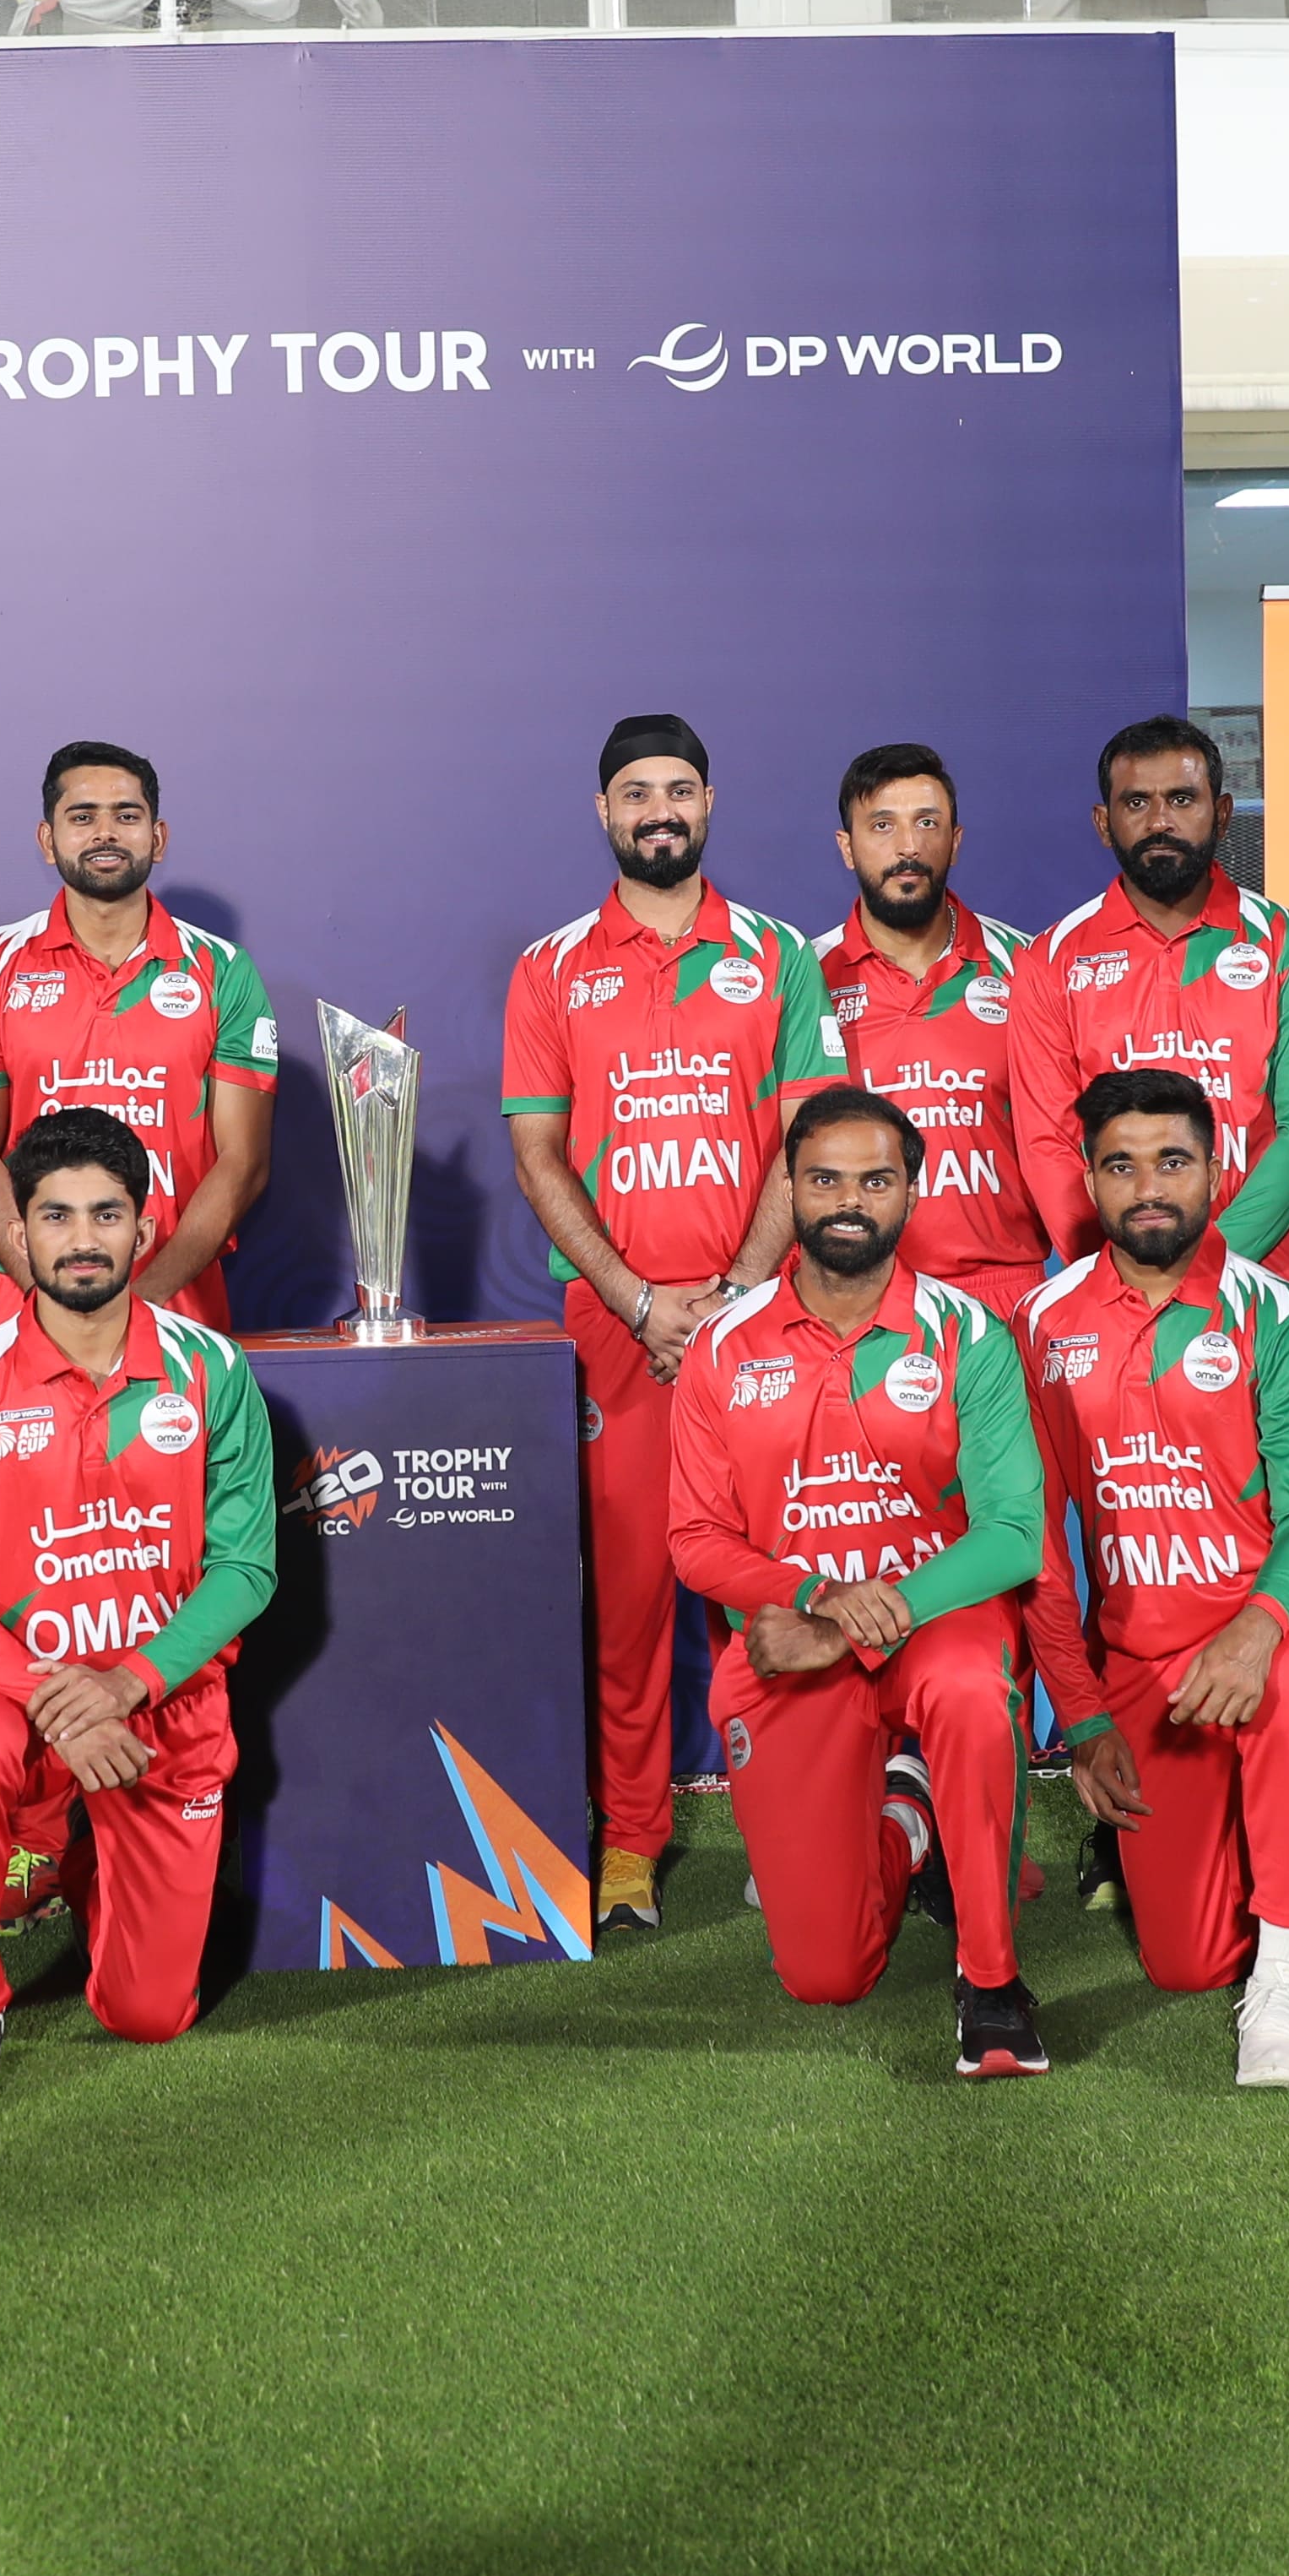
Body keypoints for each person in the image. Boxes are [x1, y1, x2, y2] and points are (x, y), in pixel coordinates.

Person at [504, 713, 842, 1933]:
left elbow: (807, 1143)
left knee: (775, 1581)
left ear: (711, 805)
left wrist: (738, 1295)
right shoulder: (550, 967)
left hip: (767, 1317)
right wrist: (642, 1302)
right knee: (633, 1596)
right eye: (638, 790)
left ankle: (795, 1823)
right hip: (616, 1325)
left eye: (681, 789)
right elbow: (539, 1157)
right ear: (604, 811)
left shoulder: (776, 957)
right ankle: (633, 1841)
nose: (661, 808)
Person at [0, 1109, 278, 2120]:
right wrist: (59, 1699)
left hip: (163, 1703)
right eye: (55, 1216)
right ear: (13, 1236)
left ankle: (71, 1856)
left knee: (148, 2013)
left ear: (145, 1228)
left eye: (106, 1214)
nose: (81, 1239)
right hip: (15, 1698)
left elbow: (246, 1569)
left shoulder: (212, 1371)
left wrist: (127, 1682)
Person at [670, 1083, 1052, 2075]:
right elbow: (696, 1540)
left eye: (875, 1179)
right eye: (825, 1178)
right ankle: (907, 1819)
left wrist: (865, 1617)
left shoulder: (968, 1331)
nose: (849, 1199)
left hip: (937, 1620)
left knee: (972, 1691)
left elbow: (1014, 1536)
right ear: (787, 1189)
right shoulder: (722, 1342)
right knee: (826, 1974)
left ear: (913, 1192)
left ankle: (993, 1981)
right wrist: (811, 1596)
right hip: (793, 1638)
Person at [1022, 1067, 1289, 2085]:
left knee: (1287, 1688)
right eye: (1121, 1166)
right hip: (1144, 1654)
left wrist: (1259, 1625)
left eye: (1173, 1160)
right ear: (1088, 1180)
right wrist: (1082, 1719)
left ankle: (1288, 1982)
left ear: (1217, 1170)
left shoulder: (1279, 1312)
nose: (1149, 1187)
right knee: (1184, 1961)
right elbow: (1037, 1545)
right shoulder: (1041, 1324)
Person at [0, 740, 276, 1334]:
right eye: (82, 816)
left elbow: (243, 1163)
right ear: (48, 840)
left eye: (126, 815)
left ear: (157, 836)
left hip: (176, 1298)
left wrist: (142, 1300)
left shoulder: (222, 970)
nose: (105, 833)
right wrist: (47, 1288)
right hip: (22, 1299)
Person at [1005, 713, 1289, 1274]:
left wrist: (1215, 1260)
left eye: (1183, 799)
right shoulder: (1050, 960)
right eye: (1136, 803)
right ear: (1103, 822)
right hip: (1112, 1289)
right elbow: (1047, 1143)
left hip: (1261, 1279)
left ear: (1224, 814)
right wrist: (1115, 1274)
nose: (1160, 821)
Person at [815, 743, 1043, 1318]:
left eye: (927, 823)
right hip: (856, 1296)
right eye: (883, 826)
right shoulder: (805, 977)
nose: (908, 847)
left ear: (955, 842)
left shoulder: (1029, 965)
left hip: (1005, 1291)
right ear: (848, 847)